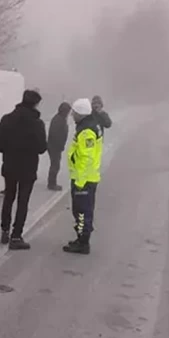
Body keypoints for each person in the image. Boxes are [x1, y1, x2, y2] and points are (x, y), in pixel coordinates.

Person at [0, 89, 48, 250]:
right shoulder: (37, 124)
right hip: (28, 168)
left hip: (10, 165)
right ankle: (16, 236)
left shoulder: (7, 119)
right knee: (23, 201)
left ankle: (4, 230)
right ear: (36, 104)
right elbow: (42, 148)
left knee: (8, 197)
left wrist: (9, 150)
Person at [63, 98, 103, 255]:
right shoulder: (88, 126)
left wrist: (80, 181)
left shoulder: (86, 131)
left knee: (81, 211)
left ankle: (83, 242)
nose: (72, 115)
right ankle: (81, 238)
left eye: (74, 113)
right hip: (85, 178)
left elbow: (86, 158)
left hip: (84, 179)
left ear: (80, 114)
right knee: (81, 210)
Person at [47, 102, 72, 191]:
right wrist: (59, 145)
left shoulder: (60, 118)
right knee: (55, 165)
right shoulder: (59, 120)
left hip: (55, 146)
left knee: (55, 165)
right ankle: (51, 183)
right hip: (54, 147)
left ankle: (52, 182)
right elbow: (55, 134)